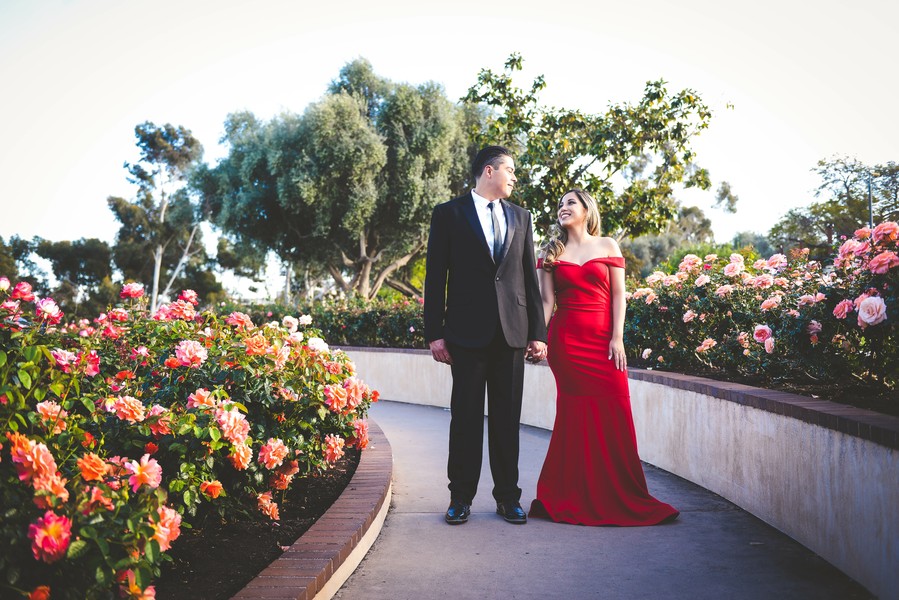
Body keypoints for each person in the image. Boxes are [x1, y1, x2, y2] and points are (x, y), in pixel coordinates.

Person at [528, 189, 678, 526]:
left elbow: (620, 297)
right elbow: (546, 303)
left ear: (586, 210)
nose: (562, 207)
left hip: (604, 343)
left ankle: (618, 494)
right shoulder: (551, 252)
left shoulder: (608, 245)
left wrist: (617, 338)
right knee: (574, 417)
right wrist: (538, 338)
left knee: (615, 411)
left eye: (570, 202)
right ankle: (572, 494)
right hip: (567, 344)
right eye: (559, 203)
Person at [424, 145, 547, 525]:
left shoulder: (522, 217)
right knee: (465, 418)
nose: (514, 177)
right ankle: (460, 497)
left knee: (507, 421)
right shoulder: (448, 214)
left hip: (512, 334)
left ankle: (508, 498)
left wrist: (537, 332)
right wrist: (435, 333)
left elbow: (529, 277)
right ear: (489, 171)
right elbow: (435, 277)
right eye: (510, 170)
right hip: (465, 334)